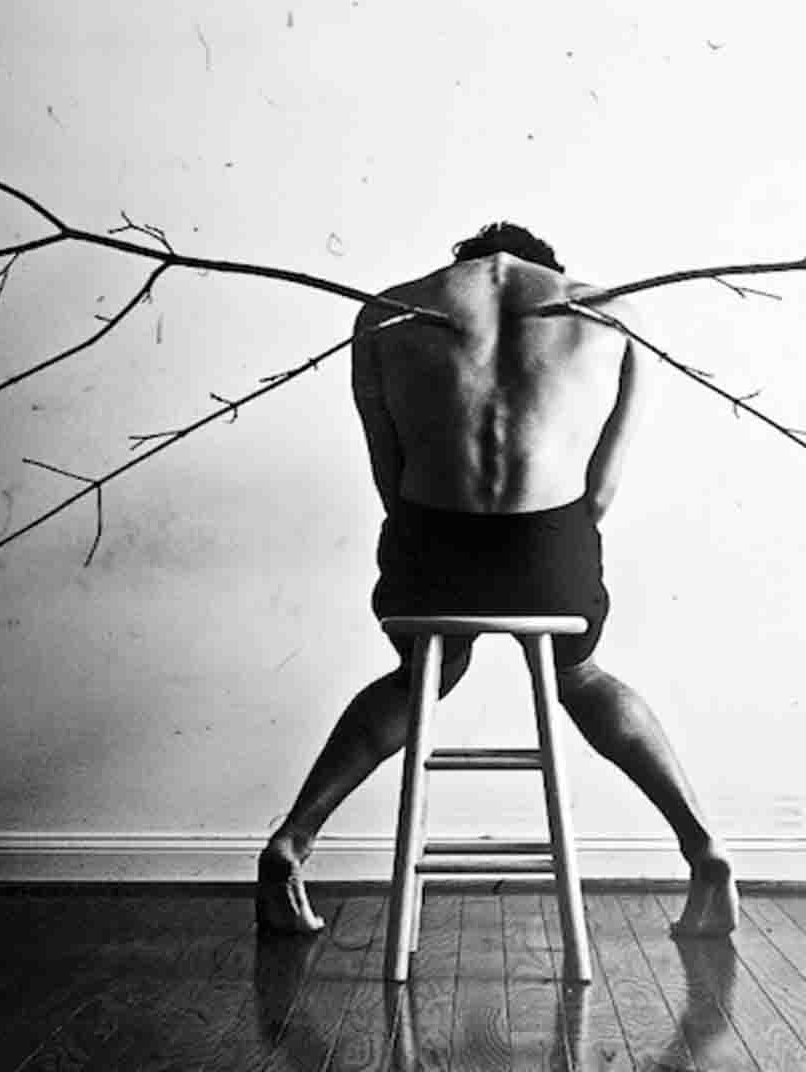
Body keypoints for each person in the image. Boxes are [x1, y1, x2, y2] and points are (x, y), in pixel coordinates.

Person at [256, 223, 737, 937]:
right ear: (549, 269)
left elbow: (388, 475)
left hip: (431, 549)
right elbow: (600, 495)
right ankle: (702, 848)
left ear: (464, 264)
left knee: (421, 675)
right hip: (550, 551)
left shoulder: (389, 311)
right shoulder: (610, 313)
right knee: (580, 676)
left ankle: (293, 840)